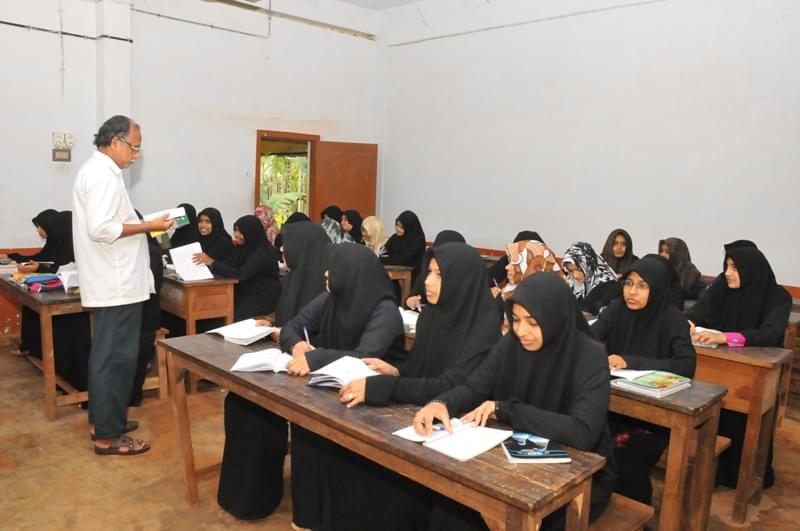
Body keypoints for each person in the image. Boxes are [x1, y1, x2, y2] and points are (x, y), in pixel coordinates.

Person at [412, 273, 616, 530]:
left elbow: (582, 432)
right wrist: (442, 403)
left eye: (533, 322)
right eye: (516, 320)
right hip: (519, 459)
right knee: (454, 507)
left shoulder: (589, 355)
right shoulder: (512, 343)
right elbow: (475, 387)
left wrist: (506, 410)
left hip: (578, 476)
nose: (521, 331)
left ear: (556, 319)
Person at [279, 243, 405, 530]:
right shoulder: (331, 298)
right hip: (334, 385)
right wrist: (297, 344)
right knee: (304, 424)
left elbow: (364, 357)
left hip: (376, 397)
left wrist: (315, 357)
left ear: (350, 272)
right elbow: (291, 327)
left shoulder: (385, 309)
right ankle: (309, 514)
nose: (326, 273)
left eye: (332, 268)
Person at [72, 115, 173, 455]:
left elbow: (112, 223)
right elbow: (101, 228)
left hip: (113, 282)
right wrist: (148, 227)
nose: (136, 155)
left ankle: (104, 420)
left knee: (107, 356)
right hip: (115, 284)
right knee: (115, 359)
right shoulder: (102, 175)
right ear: (115, 142)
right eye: (134, 147)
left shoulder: (100, 172)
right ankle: (109, 437)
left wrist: (144, 223)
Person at [217, 221, 330, 521]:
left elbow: (327, 338)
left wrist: (289, 337)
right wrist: (272, 325)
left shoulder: (329, 284)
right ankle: (249, 496)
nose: (282, 250)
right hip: (282, 363)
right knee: (241, 402)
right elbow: (289, 320)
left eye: (287, 245)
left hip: (315, 373)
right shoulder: (292, 279)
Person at [591, 254, 696, 504]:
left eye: (642, 285)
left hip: (653, 419)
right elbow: (590, 336)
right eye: (628, 283)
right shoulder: (617, 309)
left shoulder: (672, 319)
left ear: (657, 288)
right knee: (585, 447)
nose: (632, 292)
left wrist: (631, 361)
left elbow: (686, 365)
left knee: (627, 462)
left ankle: (634, 516)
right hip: (611, 408)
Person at [686, 243, 791, 489]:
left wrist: (727, 337)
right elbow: (696, 312)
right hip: (716, 368)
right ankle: (706, 467)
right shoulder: (722, 286)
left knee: (740, 420)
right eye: (726, 266)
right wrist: (688, 324)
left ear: (751, 270)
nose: (728, 272)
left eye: (735, 267)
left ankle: (737, 474)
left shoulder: (777, 296)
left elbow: (770, 333)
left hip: (753, 374)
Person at [195, 215, 281, 320]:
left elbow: (241, 274)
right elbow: (228, 265)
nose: (236, 235)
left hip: (260, 298)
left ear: (251, 233)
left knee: (222, 315)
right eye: (235, 230)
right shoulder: (245, 247)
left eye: (240, 232)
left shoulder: (262, 252)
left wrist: (212, 262)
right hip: (243, 294)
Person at [129, 210, 165, 408]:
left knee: (137, 353)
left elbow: (150, 289)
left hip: (145, 314)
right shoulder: (135, 250)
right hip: (134, 313)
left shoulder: (150, 252)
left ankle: (132, 395)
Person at [404, 229, 466, 309]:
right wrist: (410, 301)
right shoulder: (428, 272)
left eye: (439, 273)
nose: (428, 281)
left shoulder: (465, 281)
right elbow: (413, 297)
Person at [562, 242, 620, 315]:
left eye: (579, 270)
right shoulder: (573, 284)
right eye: (571, 271)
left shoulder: (606, 285)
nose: (575, 275)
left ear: (589, 265)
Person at [380, 210, 427, 282]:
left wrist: (381, 260)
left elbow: (403, 260)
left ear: (409, 227)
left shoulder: (418, 240)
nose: (397, 228)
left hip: (413, 277)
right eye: (397, 225)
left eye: (402, 227)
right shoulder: (395, 237)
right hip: (394, 273)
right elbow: (383, 252)